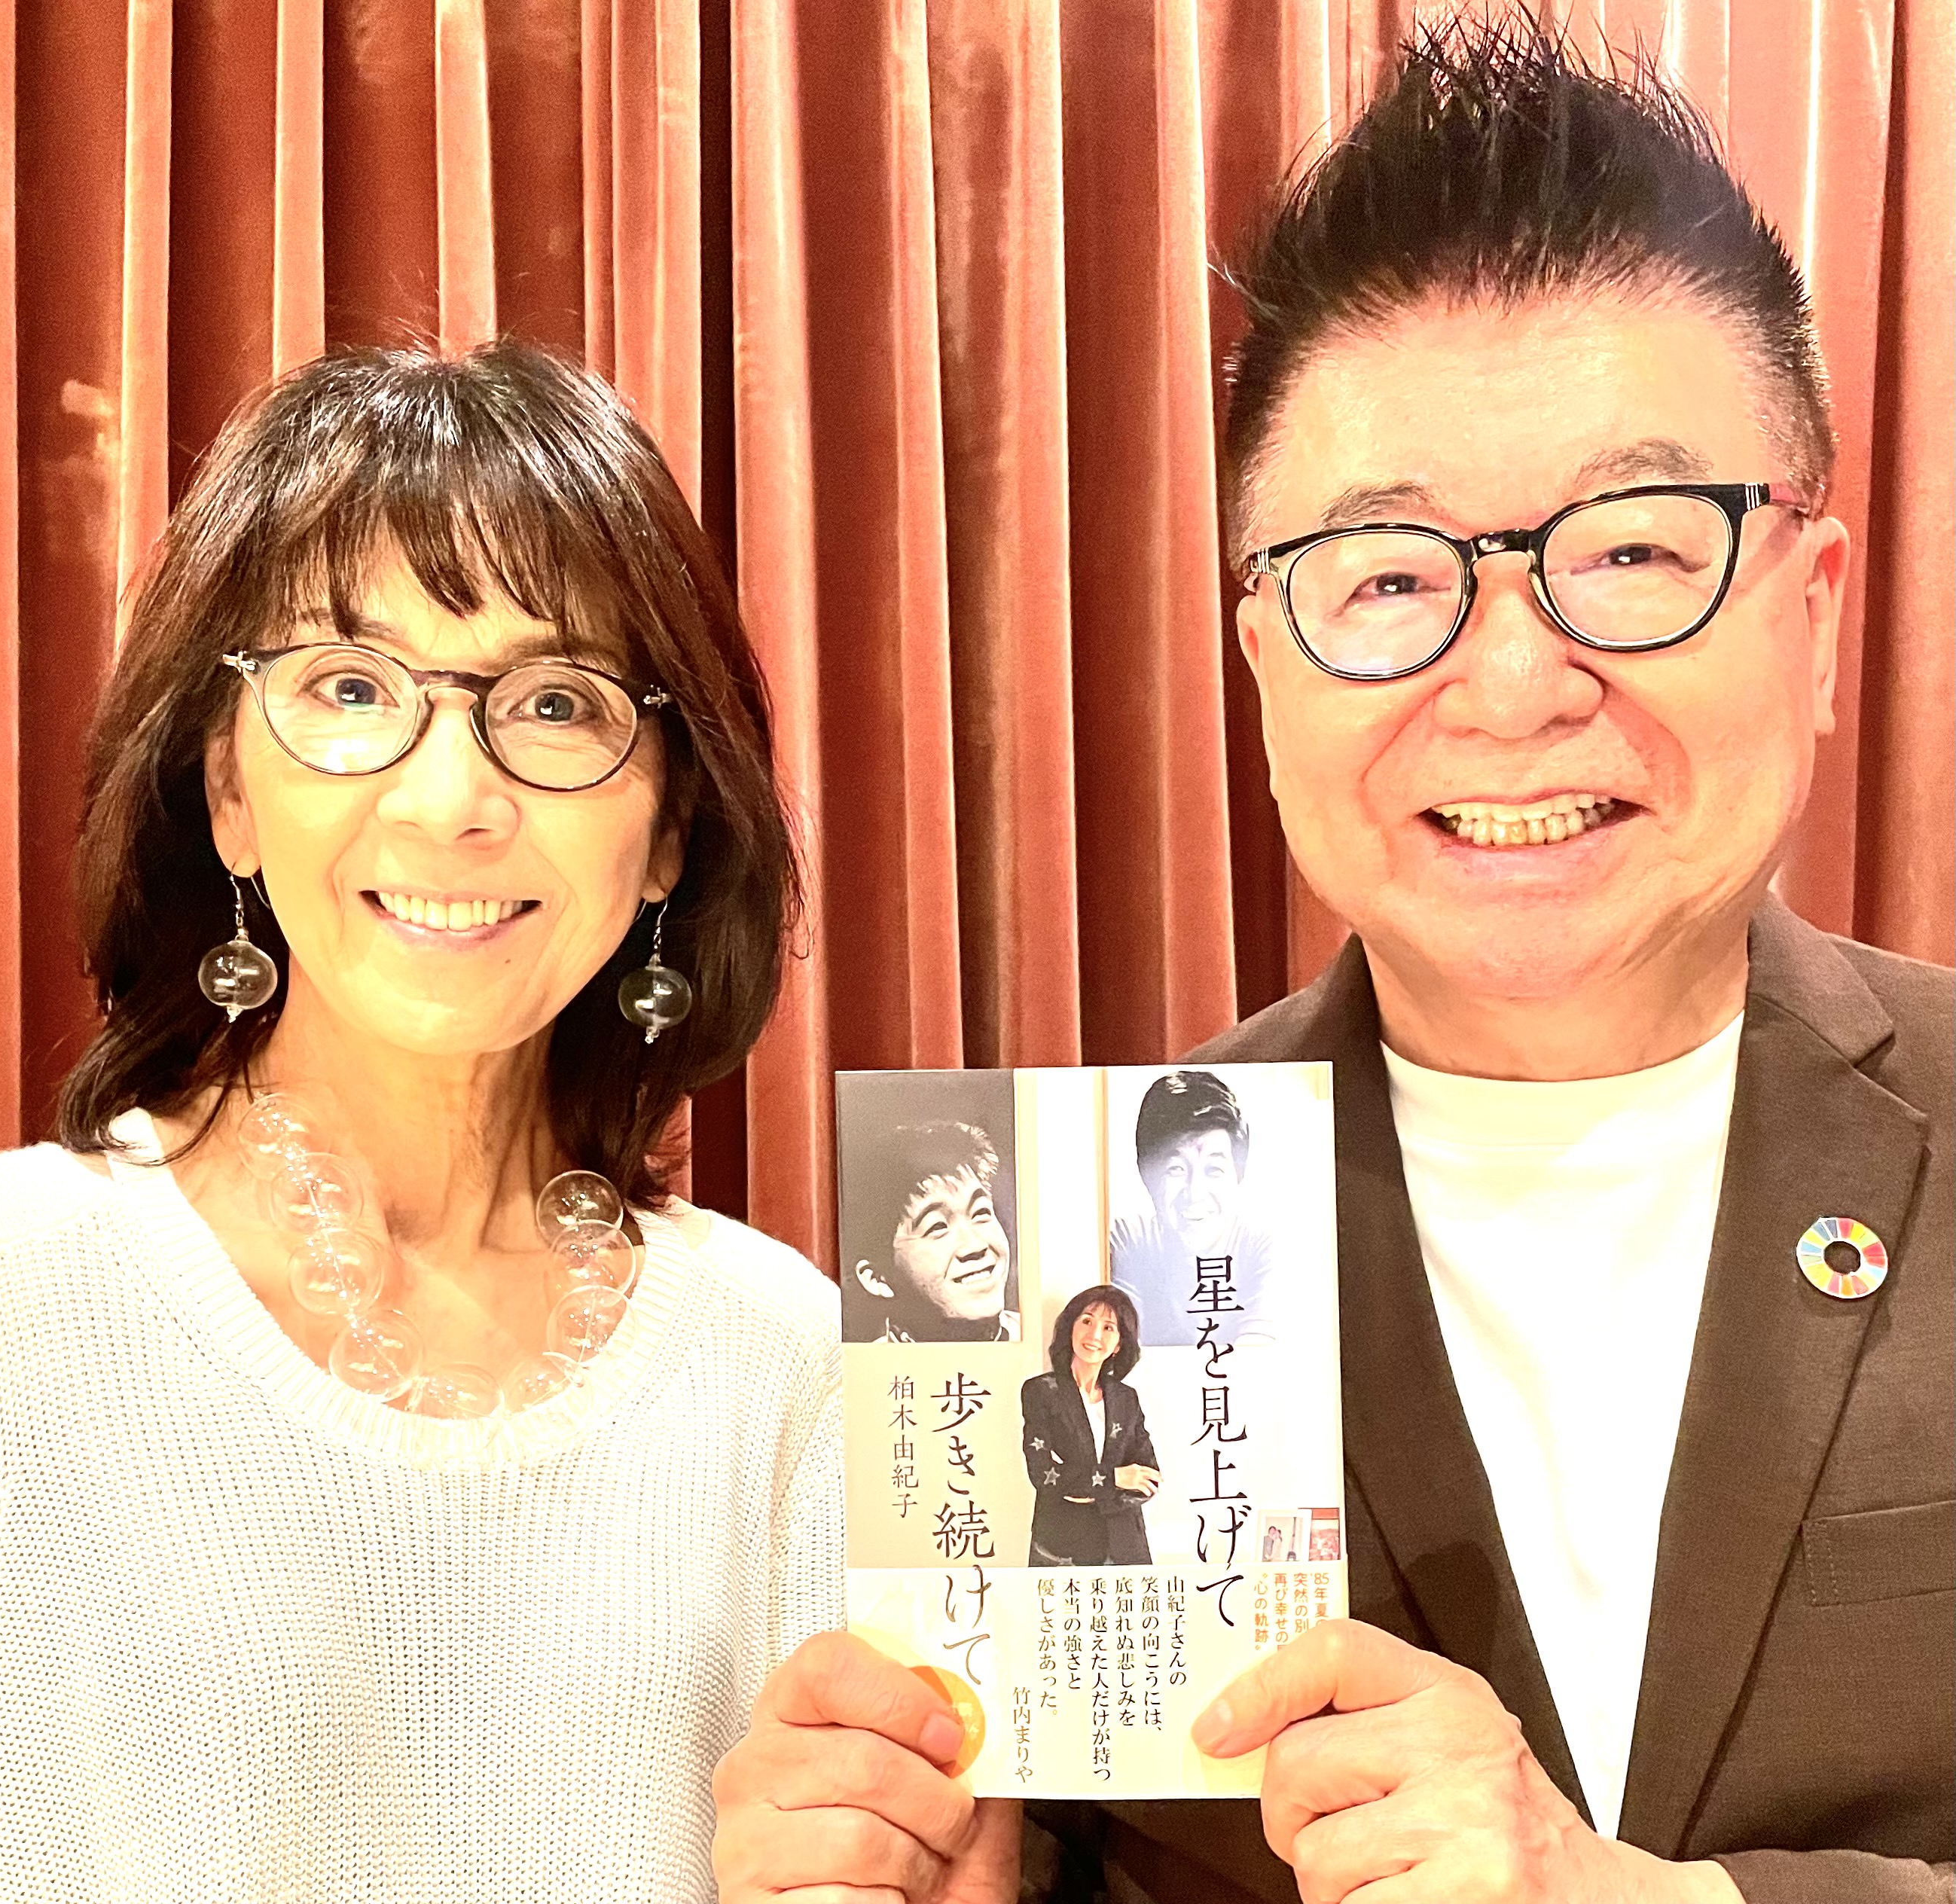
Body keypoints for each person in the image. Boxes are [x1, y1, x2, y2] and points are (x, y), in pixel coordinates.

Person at [714, 19, 1951, 1904]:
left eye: (1631, 553)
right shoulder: (1085, 1235)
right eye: (1382, 578)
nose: (1510, 685)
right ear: (1260, 658)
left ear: (1812, 610)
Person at [0, 340, 840, 1899]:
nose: (451, 800)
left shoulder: (784, 1361)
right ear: (228, 791)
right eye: (349, 688)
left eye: (557, 701)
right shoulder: (21, 1293)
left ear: (667, 826)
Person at [1111, 1068, 1277, 1344]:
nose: (1195, 1194)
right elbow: (1119, 1349)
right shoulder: (1130, 1239)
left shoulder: (1262, 1245)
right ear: (1147, 1176)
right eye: (1176, 1168)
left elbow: (1259, 1354)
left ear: (1238, 1175)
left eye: (1214, 1170)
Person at [841, 1118, 1021, 1342]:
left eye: (980, 1212)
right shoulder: (864, 1363)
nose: (976, 1245)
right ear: (879, 1278)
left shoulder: (1042, 1341)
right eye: (937, 1226)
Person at [1020, 1285, 1162, 1565]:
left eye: (1108, 1328)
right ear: (1071, 1328)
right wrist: (1115, 1478)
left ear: (1119, 1344)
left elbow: (1149, 1477)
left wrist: (1082, 1488)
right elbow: (1043, 1474)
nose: (1095, 1335)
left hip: (1125, 1546)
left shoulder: (1126, 1398)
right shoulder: (1041, 1392)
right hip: (1062, 1547)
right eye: (1086, 1321)